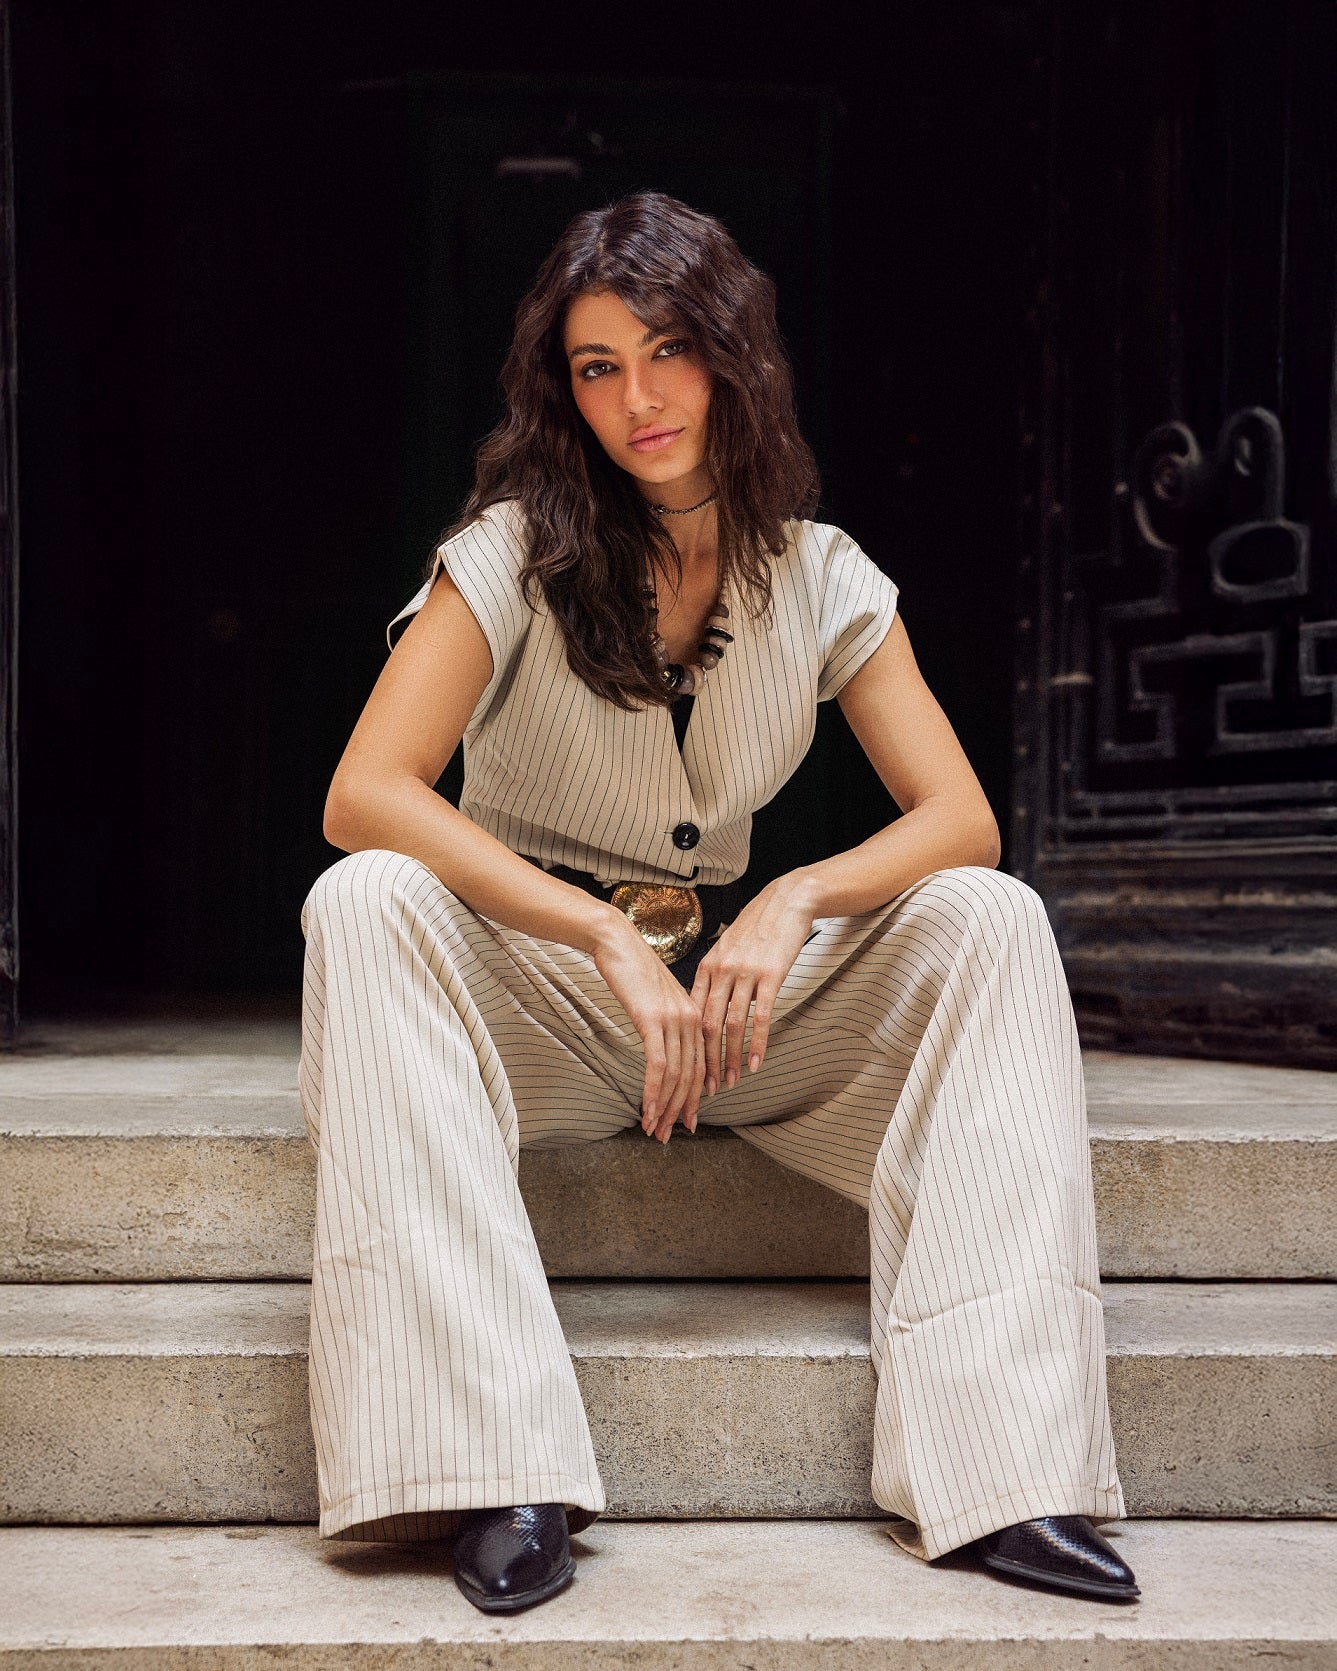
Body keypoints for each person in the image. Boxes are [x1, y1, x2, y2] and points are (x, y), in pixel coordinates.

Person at [298, 189, 1139, 1615]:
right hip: (543, 997)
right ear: (563, 393)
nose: (638, 398)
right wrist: (591, 933)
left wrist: (797, 896)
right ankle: (491, 1465)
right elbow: (366, 790)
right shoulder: (507, 552)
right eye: (597, 366)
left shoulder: (819, 571)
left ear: (732, 353)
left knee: (991, 916)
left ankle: (1003, 1473)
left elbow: (961, 820)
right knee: (366, 898)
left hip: (743, 1013)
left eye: (668, 349)